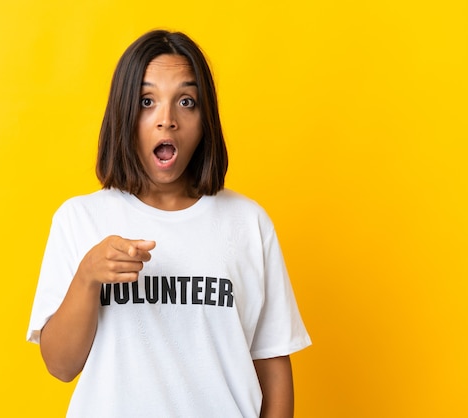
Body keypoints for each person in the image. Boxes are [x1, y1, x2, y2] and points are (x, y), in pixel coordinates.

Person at [27, 29, 311, 418]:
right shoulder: (80, 219)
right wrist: (87, 277)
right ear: (124, 113)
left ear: (205, 117)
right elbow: (60, 366)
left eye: (186, 101)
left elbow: (273, 366)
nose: (167, 120)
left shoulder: (248, 222)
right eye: (147, 101)